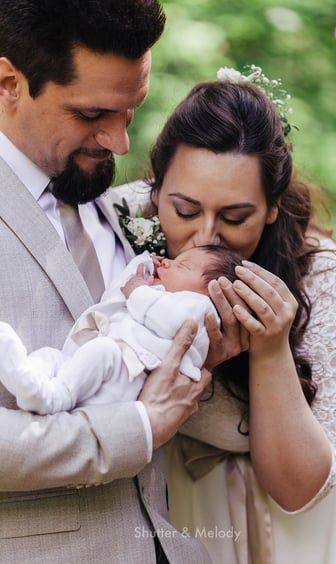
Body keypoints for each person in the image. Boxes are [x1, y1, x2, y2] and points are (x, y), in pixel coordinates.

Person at [114, 67, 336, 563]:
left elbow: (298, 490)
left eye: (235, 218)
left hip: (309, 518)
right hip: (184, 496)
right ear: (155, 187)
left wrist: (271, 348)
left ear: (272, 208)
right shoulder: (125, 225)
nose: (206, 236)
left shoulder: (322, 277)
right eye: (185, 210)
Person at [0, 1, 213, 562]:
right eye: (93, 114)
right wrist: (135, 429)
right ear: (8, 82)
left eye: (131, 110)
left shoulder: (127, 208)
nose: (120, 143)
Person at [0, 246, 241, 414]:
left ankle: (53, 397)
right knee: (51, 356)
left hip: (127, 373)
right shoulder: (158, 296)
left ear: (210, 291)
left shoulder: (200, 308)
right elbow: (117, 296)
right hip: (111, 368)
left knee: (102, 351)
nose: (167, 261)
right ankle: (30, 378)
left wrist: (138, 290)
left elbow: (173, 321)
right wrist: (144, 268)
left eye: (183, 265)